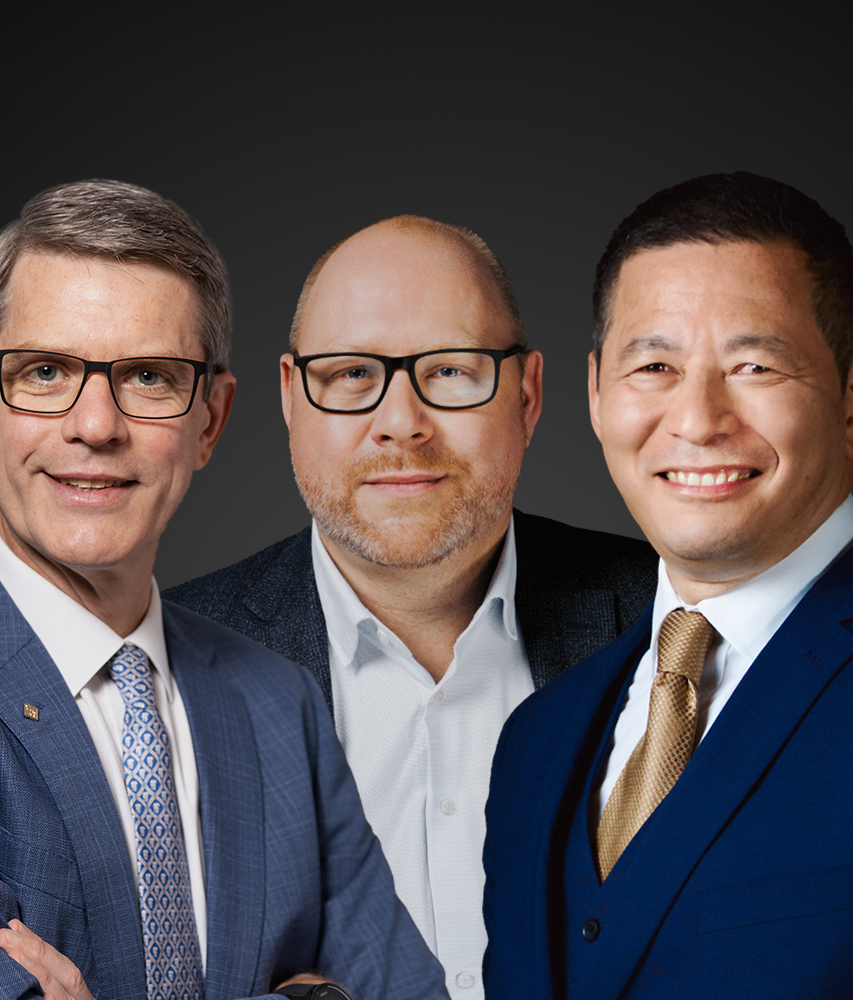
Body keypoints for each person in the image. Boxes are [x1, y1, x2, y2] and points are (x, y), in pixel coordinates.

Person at [0, 180, 442, 1000]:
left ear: (211, 423)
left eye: (149, 377)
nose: (95, 425)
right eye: (46, 372)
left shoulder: (279, 706)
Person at [165, 216, 653, 998]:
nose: (401, 423)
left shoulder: (673, 622)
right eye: (352, 374)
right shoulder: (164, 664)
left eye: (453, 372)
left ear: (527, 396)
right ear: (292, 399)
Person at [482, 171, 853, 997]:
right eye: (654, 367)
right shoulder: (536, 743)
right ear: (598, 395)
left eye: (753, 365)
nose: (698, 419)